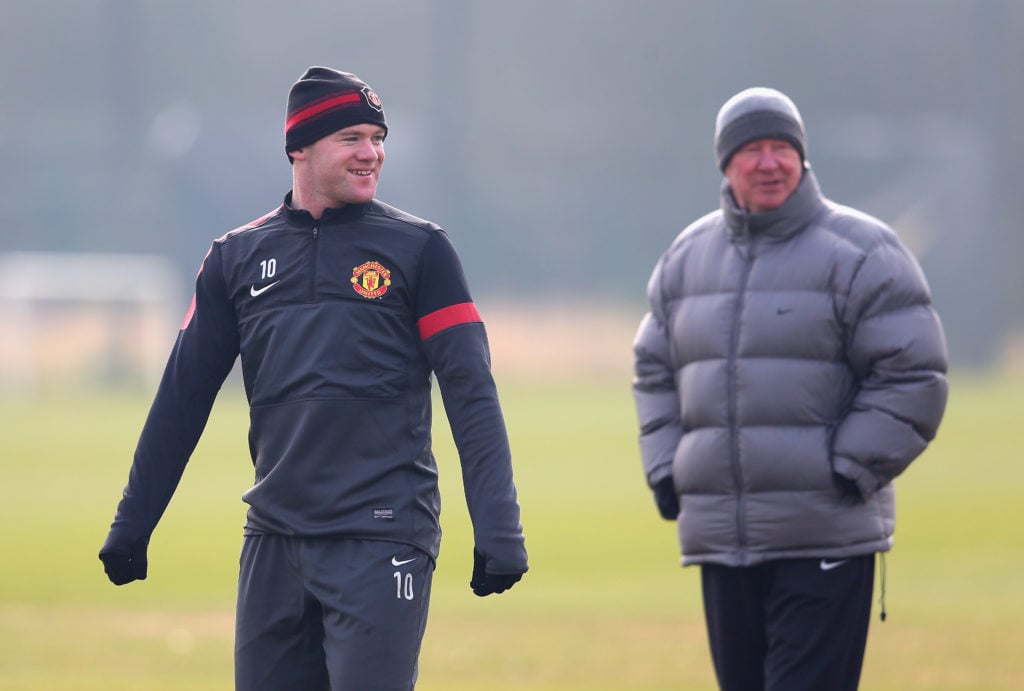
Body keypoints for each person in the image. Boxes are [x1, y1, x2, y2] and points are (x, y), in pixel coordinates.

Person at [100, 66, 528, 690]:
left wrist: (499, 527)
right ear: (299, 147)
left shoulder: (421, 251)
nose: (371, 153)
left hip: (382, 538)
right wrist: (133, 523)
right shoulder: (234, 259)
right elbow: (183, 396)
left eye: (378, 138)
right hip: (273, 543)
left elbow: (471, 393)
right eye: (351, 137)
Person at [631, 87, 948, 690]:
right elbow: (652, 369)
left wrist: (847, 469)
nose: (769, 162)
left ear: (802, 158)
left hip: (824, 534)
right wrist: (669, 469)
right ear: (726, 163)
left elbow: (914, 374)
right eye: (752, 150)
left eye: (782, 147)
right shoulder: (687, 257)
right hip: (723, 542)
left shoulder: (865, 251)